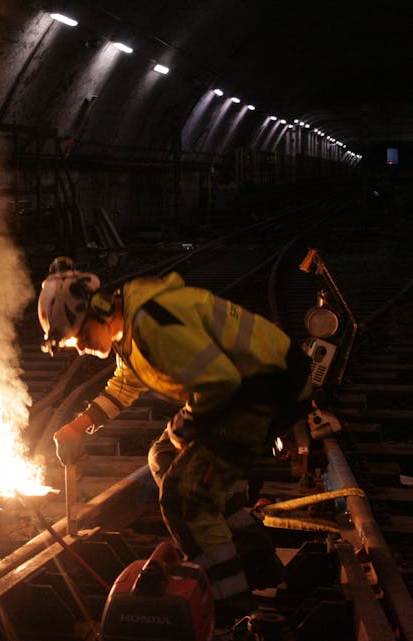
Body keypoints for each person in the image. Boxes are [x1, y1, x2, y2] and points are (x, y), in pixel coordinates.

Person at [38, 257, 314, 625]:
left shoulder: (153, 323)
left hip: (265, 391)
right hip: (245, 391)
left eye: (82, 336)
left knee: (183, 498)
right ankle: (257, 564)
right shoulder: (129, 330)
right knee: (164, 455)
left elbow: (221, 382)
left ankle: (235, 609)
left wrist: (185, 428)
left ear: (100, 310)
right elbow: (126, 384)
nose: (82, 347)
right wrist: (79, 424)